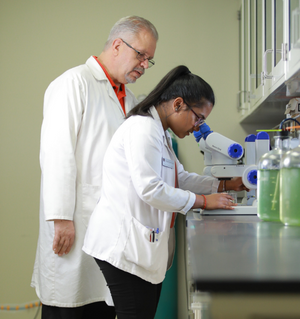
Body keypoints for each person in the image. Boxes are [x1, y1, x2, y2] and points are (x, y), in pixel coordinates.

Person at [82, 65, 250, 319]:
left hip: (137, 245)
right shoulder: (143, 129)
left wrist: (225, 185)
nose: (198, 126)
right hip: (122, 244)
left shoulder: (159, 132)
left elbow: (178, 178)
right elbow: (150, 188)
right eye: (199, 117)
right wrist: (204, 201)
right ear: (178, 104)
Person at [31, 16, 158, 319]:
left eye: (149, 60)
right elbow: (56, 154)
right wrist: (61, 218)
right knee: (69, 304)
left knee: (100, 305)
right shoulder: (73, 83)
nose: (144, 64)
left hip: (109, 231)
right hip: (76, 220)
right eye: (141, 54)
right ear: (117, 45)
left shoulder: (130, 99)